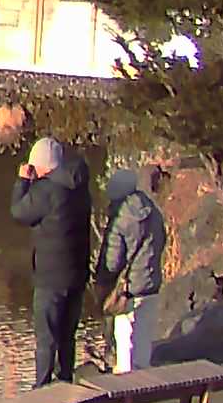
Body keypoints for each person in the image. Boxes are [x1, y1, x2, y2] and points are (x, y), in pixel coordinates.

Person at [12, 136, 96, 385]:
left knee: (46, 339)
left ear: (43, 165)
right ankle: (65, 383)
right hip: (76, 274)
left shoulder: (46, 191)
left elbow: (18, 213)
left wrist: (22, 181)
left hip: (50, 277)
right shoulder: (80, 188)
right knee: (67, 336)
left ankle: (42, 391)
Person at [97, 163, 170, 375]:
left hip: (128, 288)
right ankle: (144, 384)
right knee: (142, 343)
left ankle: (129, 397)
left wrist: (103, 280)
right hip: (151, 283)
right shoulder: (153, 210)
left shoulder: (120, 219)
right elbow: (162, 240)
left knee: (125, 342)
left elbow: (112, 260)